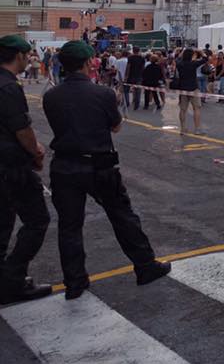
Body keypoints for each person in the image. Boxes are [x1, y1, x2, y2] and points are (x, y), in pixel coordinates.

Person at [41, 40, 170, 300]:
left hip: (65, 165)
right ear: (89, 63)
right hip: (99, 164)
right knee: (122, 216)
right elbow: (115, 126)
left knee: (69, 226)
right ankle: (145, 266)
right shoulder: (102, 94)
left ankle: (75, 282)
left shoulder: (51, 96)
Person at [0, 35, 52, 304]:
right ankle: (12, 279)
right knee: (37, 220)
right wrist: (36, 152)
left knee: (3, 223)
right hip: (11, 167)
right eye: (27, 55)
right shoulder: (9, 87)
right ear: (19, 56)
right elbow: (21, 128)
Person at [176, 48, 207, 135]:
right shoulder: (193, 64)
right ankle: (197, 129)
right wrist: (200, 51)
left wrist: (182, 52)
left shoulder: (179, 64)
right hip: (193, 88)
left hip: (183, 89)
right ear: (191, 55)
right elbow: (205, 59)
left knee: (182, 110)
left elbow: (177, 57)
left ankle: (183, 129)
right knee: (196, 108)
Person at [125, 46, 146, 110]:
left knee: (126, 90)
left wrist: (126, 76)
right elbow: (143, 68)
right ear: (139, 50)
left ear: (133, 50)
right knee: (138, 91)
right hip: (139, 76)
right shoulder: (142, 58)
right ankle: (137, 105)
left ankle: (127, 102)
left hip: (131, 76)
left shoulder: (130, 57)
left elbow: (128, 67)